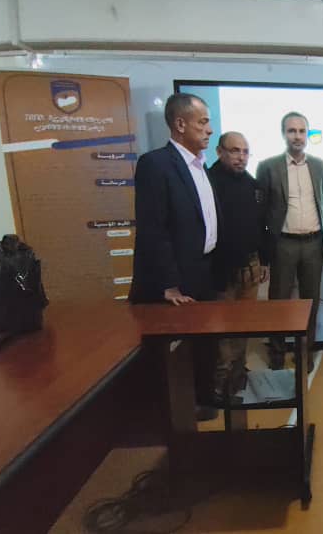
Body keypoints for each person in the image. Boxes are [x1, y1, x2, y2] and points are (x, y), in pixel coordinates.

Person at [129, 92, 220, 419]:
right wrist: (169, 284)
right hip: (176, 278)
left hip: (203, 269)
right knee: (177, 348)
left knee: (204, 342)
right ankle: (179, 407)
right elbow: (153, 229)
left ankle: (205, 396)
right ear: (180, 124)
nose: (210, 130)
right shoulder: (156, 164)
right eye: (203, 122)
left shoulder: (200, 165)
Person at [256, 112, 323, 370]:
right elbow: (262, 209)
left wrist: (311, 224)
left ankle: (305, 351)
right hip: (283, 244)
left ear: (307, 134)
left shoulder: (319, 165)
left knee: (311, 302)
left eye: (301, 131)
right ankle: (277, 352)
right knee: (279, 301)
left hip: (313, 244)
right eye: (291, 131)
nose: (297, 136)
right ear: (283, 134)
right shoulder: (268, 166)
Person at [208, 131, 269, 408]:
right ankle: (218, 386)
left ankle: (237, 376)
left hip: (251, 266)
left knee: (244, 325)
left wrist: (264, 260)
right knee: (222, 331)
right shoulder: (207, 183)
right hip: (220, 270)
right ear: (220, 152)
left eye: (245, 152)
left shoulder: (253, 185)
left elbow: (261, 225)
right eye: (234, 151)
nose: (241, 157)